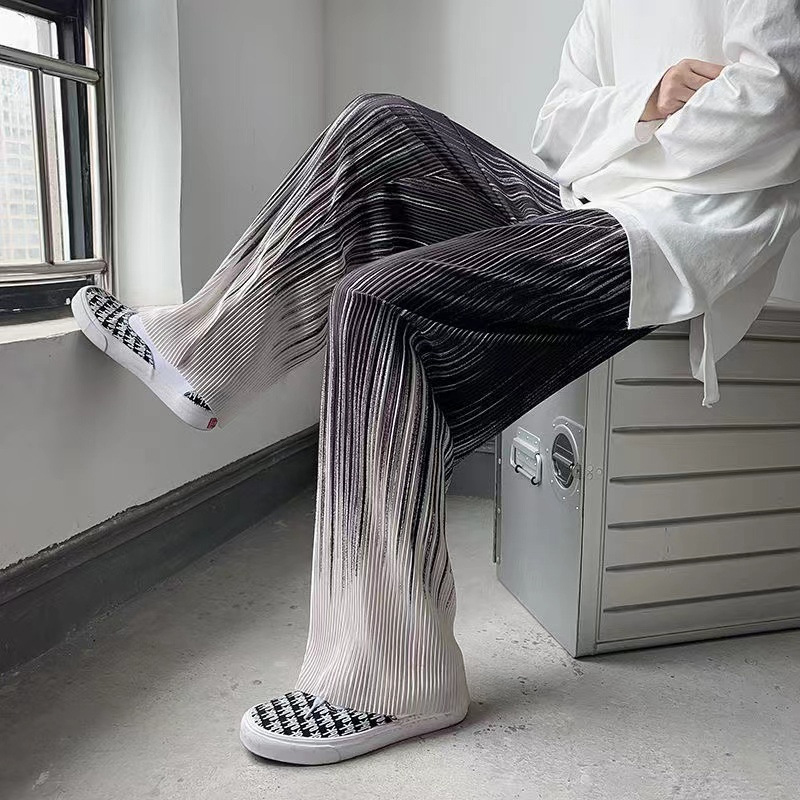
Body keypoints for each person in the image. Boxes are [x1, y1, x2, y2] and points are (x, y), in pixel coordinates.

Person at [71, 0, 800, 765]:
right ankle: (204, 348)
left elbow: (775, 119)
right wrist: (651, 99)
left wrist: (625, 141)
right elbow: (556, 134)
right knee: (377, 124)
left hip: (675, 231)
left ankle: (397, 673)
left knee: (377, 300)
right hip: (580, 206)